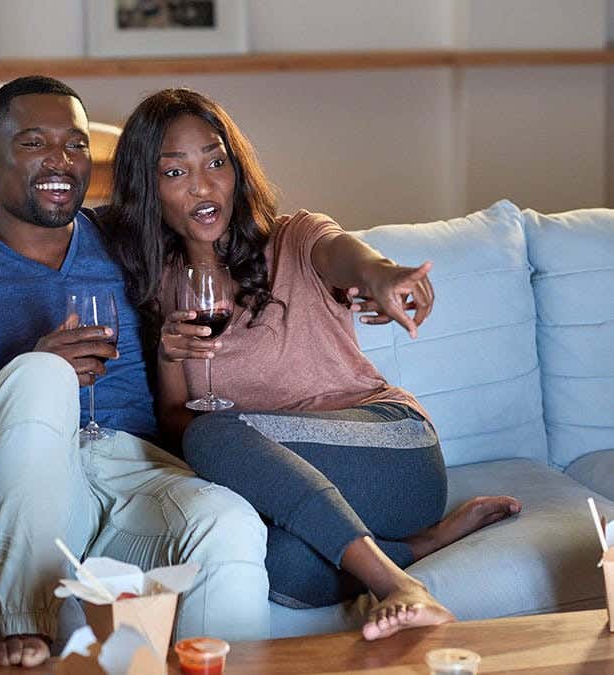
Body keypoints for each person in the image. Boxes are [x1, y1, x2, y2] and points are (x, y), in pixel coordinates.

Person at [104, 87, 523, 641]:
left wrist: (383, 276)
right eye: (176, 172)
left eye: (216, 161)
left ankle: (397, 585)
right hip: (315, 493)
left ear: (237, 169)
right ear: (149, 188)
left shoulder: (296, 238)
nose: (204, 185)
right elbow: (180, 427)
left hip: (393, 458)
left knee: (216, 433)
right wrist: (166, 355)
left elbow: (350, 255)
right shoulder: (162, 290)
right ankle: (422, 546)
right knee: (274, 564)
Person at [0, 77, 270, 668]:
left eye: (77, 144)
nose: (61, 161)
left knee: (231, 521)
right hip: (16, 490)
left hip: (130, 471)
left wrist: (355, 271)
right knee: (40, 375)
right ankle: (26, 627)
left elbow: (231, 219)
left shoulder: (128, 240)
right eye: (35, 142)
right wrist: (27, 377)